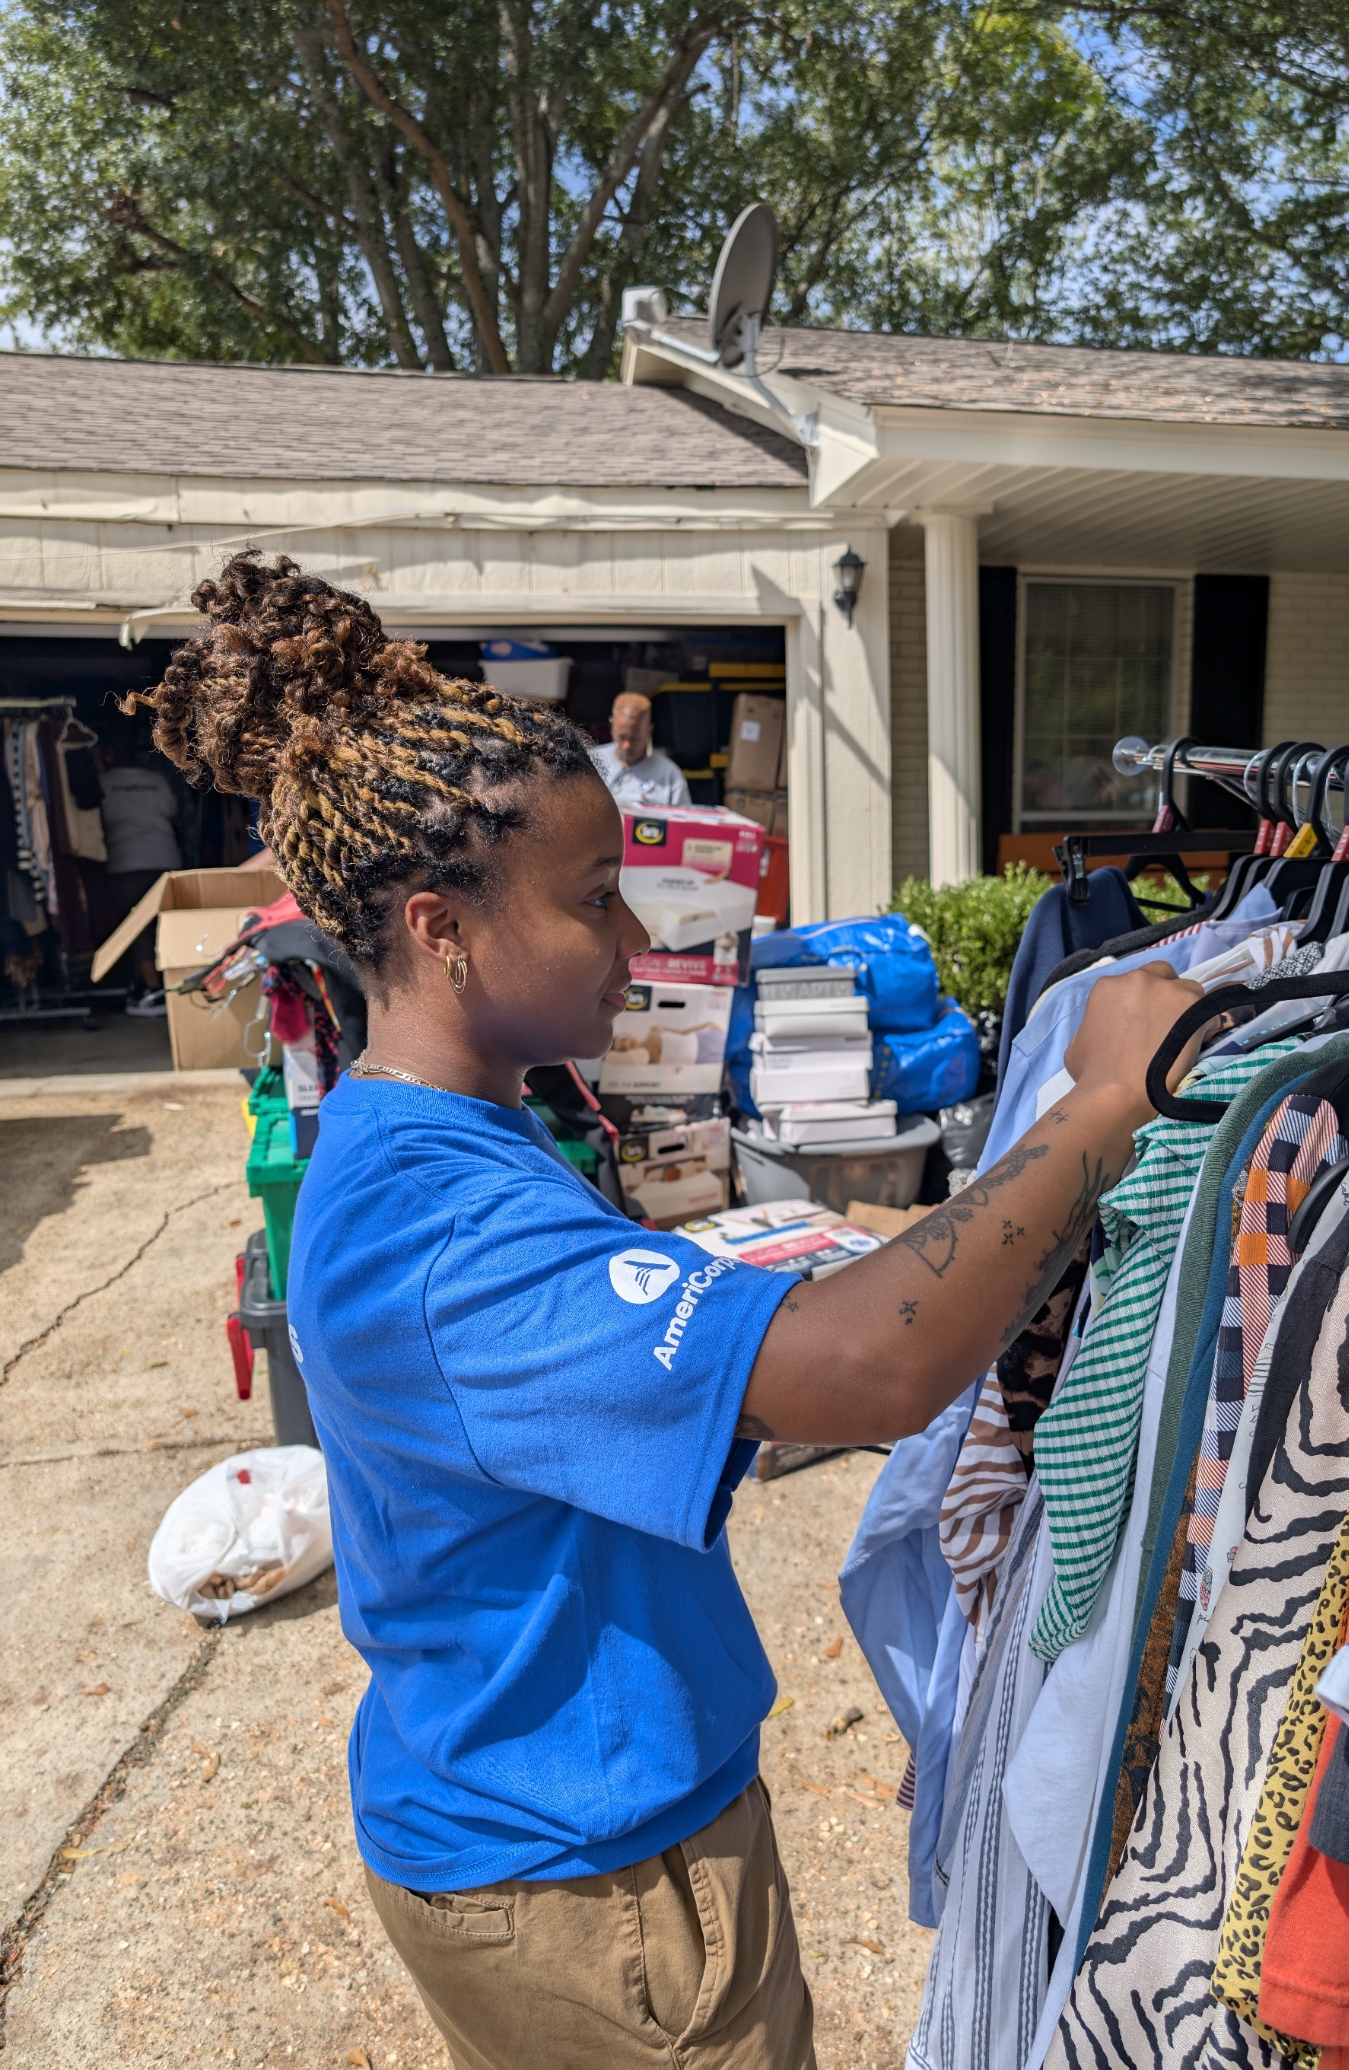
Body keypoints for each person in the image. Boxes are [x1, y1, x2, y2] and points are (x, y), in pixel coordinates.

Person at [127, 551, 1202, 2070]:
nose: (632, 940)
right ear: (438, 926)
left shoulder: (457, 1132)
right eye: (591, 899)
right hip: (586, 1874)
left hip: (567, 1819)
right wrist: (1100, 1105)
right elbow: (863, 1369)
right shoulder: (438, 1220)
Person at [97, 739, 184, 1013]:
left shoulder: (102, 783)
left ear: (109, 754)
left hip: (126, 862)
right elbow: (172, 817)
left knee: (136, 928)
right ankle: (175, 981)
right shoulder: (156, 779)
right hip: (165, 859)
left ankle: (154, 989)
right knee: (168, 924)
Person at [589, 688, 692, 807]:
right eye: (621, 737)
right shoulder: (590, 762)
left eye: (635, 739)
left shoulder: (669, 775)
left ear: (649, 731)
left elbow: (682, 821)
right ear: (612, 725)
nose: (627, 746)